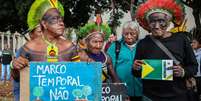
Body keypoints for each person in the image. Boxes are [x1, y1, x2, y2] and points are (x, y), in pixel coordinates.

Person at [12, 0, 79, 100]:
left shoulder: (70, 47)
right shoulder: (29, 47)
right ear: (44, 23)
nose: (61, 23)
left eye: (61, 19)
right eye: (55, 19)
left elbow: (78, 75)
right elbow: (18, 78)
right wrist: (14, 66)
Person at [133, 0, 198, 101]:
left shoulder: (181, 40)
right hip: (150, 97)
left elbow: (193, 66)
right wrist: (135, 68)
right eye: (152, 22)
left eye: (161, 21)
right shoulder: (143, 43)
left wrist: (183, 72)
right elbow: (137, 73)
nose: (156, 26)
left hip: (178, 96)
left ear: (168, 22)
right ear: (148, 24)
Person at [107, 21, 142, 100]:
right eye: (126, 34)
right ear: (122, 34)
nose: (129, 37)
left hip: (141, 90)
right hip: (121, 89)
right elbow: (108, 66)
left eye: (132, 34)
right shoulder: (115, 46)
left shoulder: (143, 45)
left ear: (137, 33)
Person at [11, 25, 42, 101]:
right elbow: (16, 77)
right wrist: (14, 65)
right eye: (40, 31)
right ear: (31, 35)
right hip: (25, 95)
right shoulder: (23, 51)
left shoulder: (52, 52)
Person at [191, 28, 201, 98]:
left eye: (194, 42)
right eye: (192, 42)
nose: (192, 44)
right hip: (193, 78)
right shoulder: (191, 52)